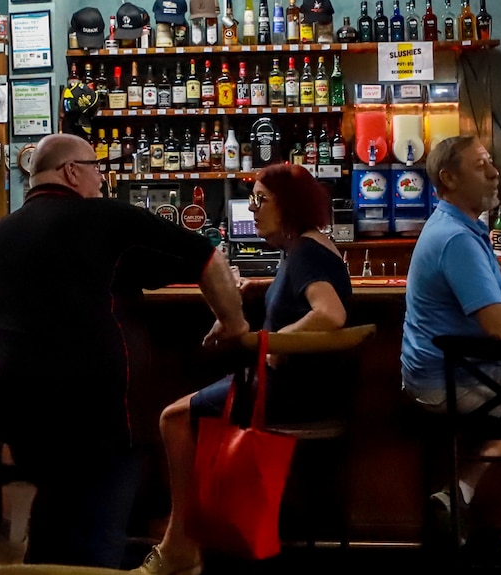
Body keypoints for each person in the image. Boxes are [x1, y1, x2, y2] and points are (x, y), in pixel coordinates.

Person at [0, 133, 249, 568]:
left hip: (14, 404)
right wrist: (234, 324)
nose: (102, 179)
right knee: (95, 527)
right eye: (97, 168)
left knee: (54, 512)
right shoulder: (106, 217)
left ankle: (30, 546)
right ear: (72, 171)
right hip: (96, 403)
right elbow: (207, 256)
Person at [132, 163, 352, 575]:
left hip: (288, 393)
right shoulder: (309, 247)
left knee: (173, 419)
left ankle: (179, 543)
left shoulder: (303, 253)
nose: (252, 209)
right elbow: (315, 293)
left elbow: (331, 312)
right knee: (182, 413)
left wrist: (277, 344)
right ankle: (188, 537)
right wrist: (257, 288)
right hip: (314, 389)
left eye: (260, 201)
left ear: (289, 205)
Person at [401, 135, 501, 571]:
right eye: (482, 166)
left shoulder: (456, 225)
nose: (495, 172)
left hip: (443, 372)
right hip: (450, 379)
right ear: (449, 177)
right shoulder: (455, 238)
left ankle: (459, 491)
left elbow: (491, 272)